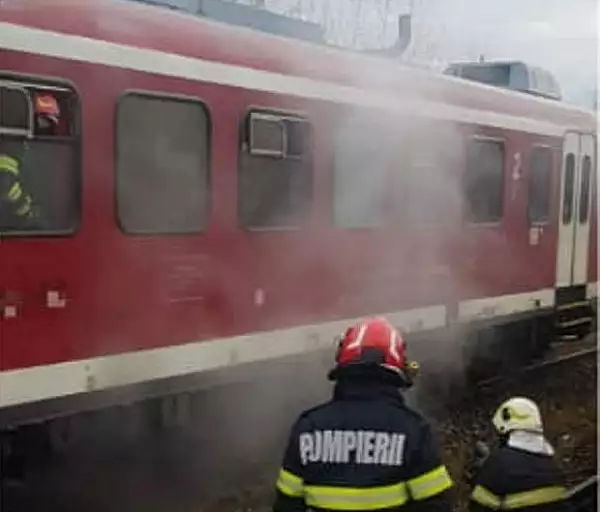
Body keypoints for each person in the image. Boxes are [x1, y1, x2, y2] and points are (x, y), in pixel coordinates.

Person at [272, 316, 453, 512]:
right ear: (397, 372)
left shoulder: (308, 427)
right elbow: (435, 506)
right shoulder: (413, 430)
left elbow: (286, 505)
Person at [469, 397, 570, 512]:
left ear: (505, 433)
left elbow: (478, 507)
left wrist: (481, 476)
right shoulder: (554, 467)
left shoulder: (498, 464)